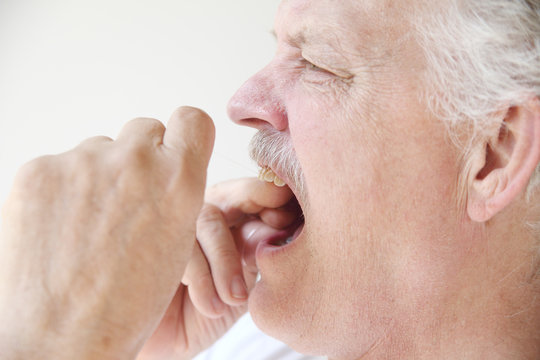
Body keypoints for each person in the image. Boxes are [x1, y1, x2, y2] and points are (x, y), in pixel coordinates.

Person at [1, 0, 539, 359]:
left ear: (494, 152)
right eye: (278, 49)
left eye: (319, 63)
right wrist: (128, 344)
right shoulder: (236, 337)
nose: (242, 105)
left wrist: (56, 336)